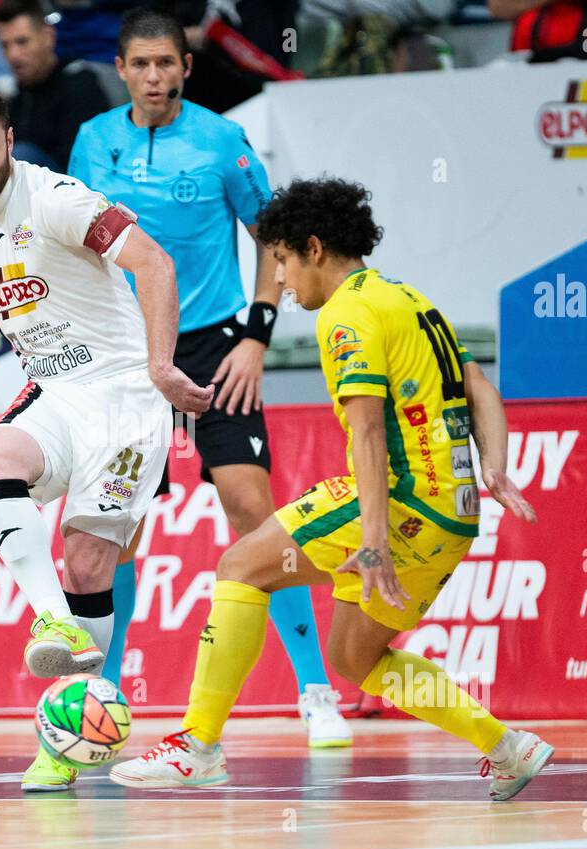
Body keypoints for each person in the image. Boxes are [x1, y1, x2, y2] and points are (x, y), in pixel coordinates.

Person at [110, 178, 555, 801]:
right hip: (453, 518)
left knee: (240, 565)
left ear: (314, 248)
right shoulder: (409, 299)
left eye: (284, 262)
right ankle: (507, 747)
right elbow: (478, 382)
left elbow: (369, 431)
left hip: (400, 501)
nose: (283, 283)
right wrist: (495, 468)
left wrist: (372, 541)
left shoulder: (346, 313)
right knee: (356, 660)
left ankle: (198, 745)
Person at [0, 75, 212, 793]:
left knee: (88, 564)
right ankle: (56, 626)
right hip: (57, 393)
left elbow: (154, 264)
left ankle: (67, 741)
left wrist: (162, 367)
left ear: (8, 139)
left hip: (128, 395)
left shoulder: (59, 199)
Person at [71, 8, 350, 746]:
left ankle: (316, 689)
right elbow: (72, 240)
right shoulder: (93, 141)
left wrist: (256, 333)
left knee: (251, 507)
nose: (155, 77)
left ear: (187, 68)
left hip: (216, 344)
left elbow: (275, 239)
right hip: (128, 352)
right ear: (123, 69)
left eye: (168, 63)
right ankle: (104, 689)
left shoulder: (223, 141)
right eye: (142, 65)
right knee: (119, 523)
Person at [0, 0, 110, 173]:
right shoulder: (19, 94)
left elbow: (83, 165)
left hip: (73, 188)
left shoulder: (79, 84)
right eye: (5, 45)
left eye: (22, 42)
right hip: (28, 189)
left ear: (48, 37)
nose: (13, 55)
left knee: (20, 156)